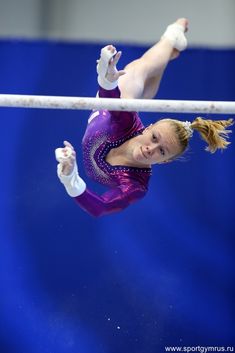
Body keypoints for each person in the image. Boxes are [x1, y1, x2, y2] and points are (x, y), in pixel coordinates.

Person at [55, 18, 233, 217]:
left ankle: (167, 51)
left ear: (165, 161)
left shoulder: (136, 184)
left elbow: (101, 207)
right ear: (147, 128)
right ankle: (171, 34)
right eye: (154, 138)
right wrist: (107, 79)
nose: (151, 149)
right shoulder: (126, 122)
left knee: (150, 82)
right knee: (142, 68)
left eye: (162, 151)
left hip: (122, 102)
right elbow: (109, 97)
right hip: (121, 96)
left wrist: (70, 177)